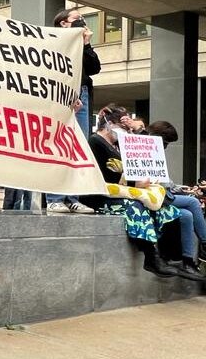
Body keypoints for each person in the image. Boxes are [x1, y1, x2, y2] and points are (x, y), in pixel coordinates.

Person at [80, 105, 197, 280]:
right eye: (124, 128)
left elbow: (141, 157)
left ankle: (170, 257)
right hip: (100, 196)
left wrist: (139, 131)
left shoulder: (116, 145)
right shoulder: (95, 142)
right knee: (136, 205)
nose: (126, 132)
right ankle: (152, 256)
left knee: (170, 211)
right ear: (110, 124)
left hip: (120, 192)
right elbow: (107, 177)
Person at [45, 7, 100, 214]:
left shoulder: (82, 44)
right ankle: (54, 198)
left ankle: (72, 198)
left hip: (82, 93)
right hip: (61, 94)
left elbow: (94, 68)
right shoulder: (53, 42)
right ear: (63, 23)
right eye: (77, 19)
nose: (82, 21)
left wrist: (86, 43)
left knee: (78, 147)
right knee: (59, 145)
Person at [146, 120, 206, 281]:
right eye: (166, 143)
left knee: (186, 215)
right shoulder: (146, 146)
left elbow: (165, 181)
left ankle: (187, 262)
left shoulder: (154, 149)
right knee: (193, 202)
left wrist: (181, 188)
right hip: (152, 196)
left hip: (163, 194)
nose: (166, 147)